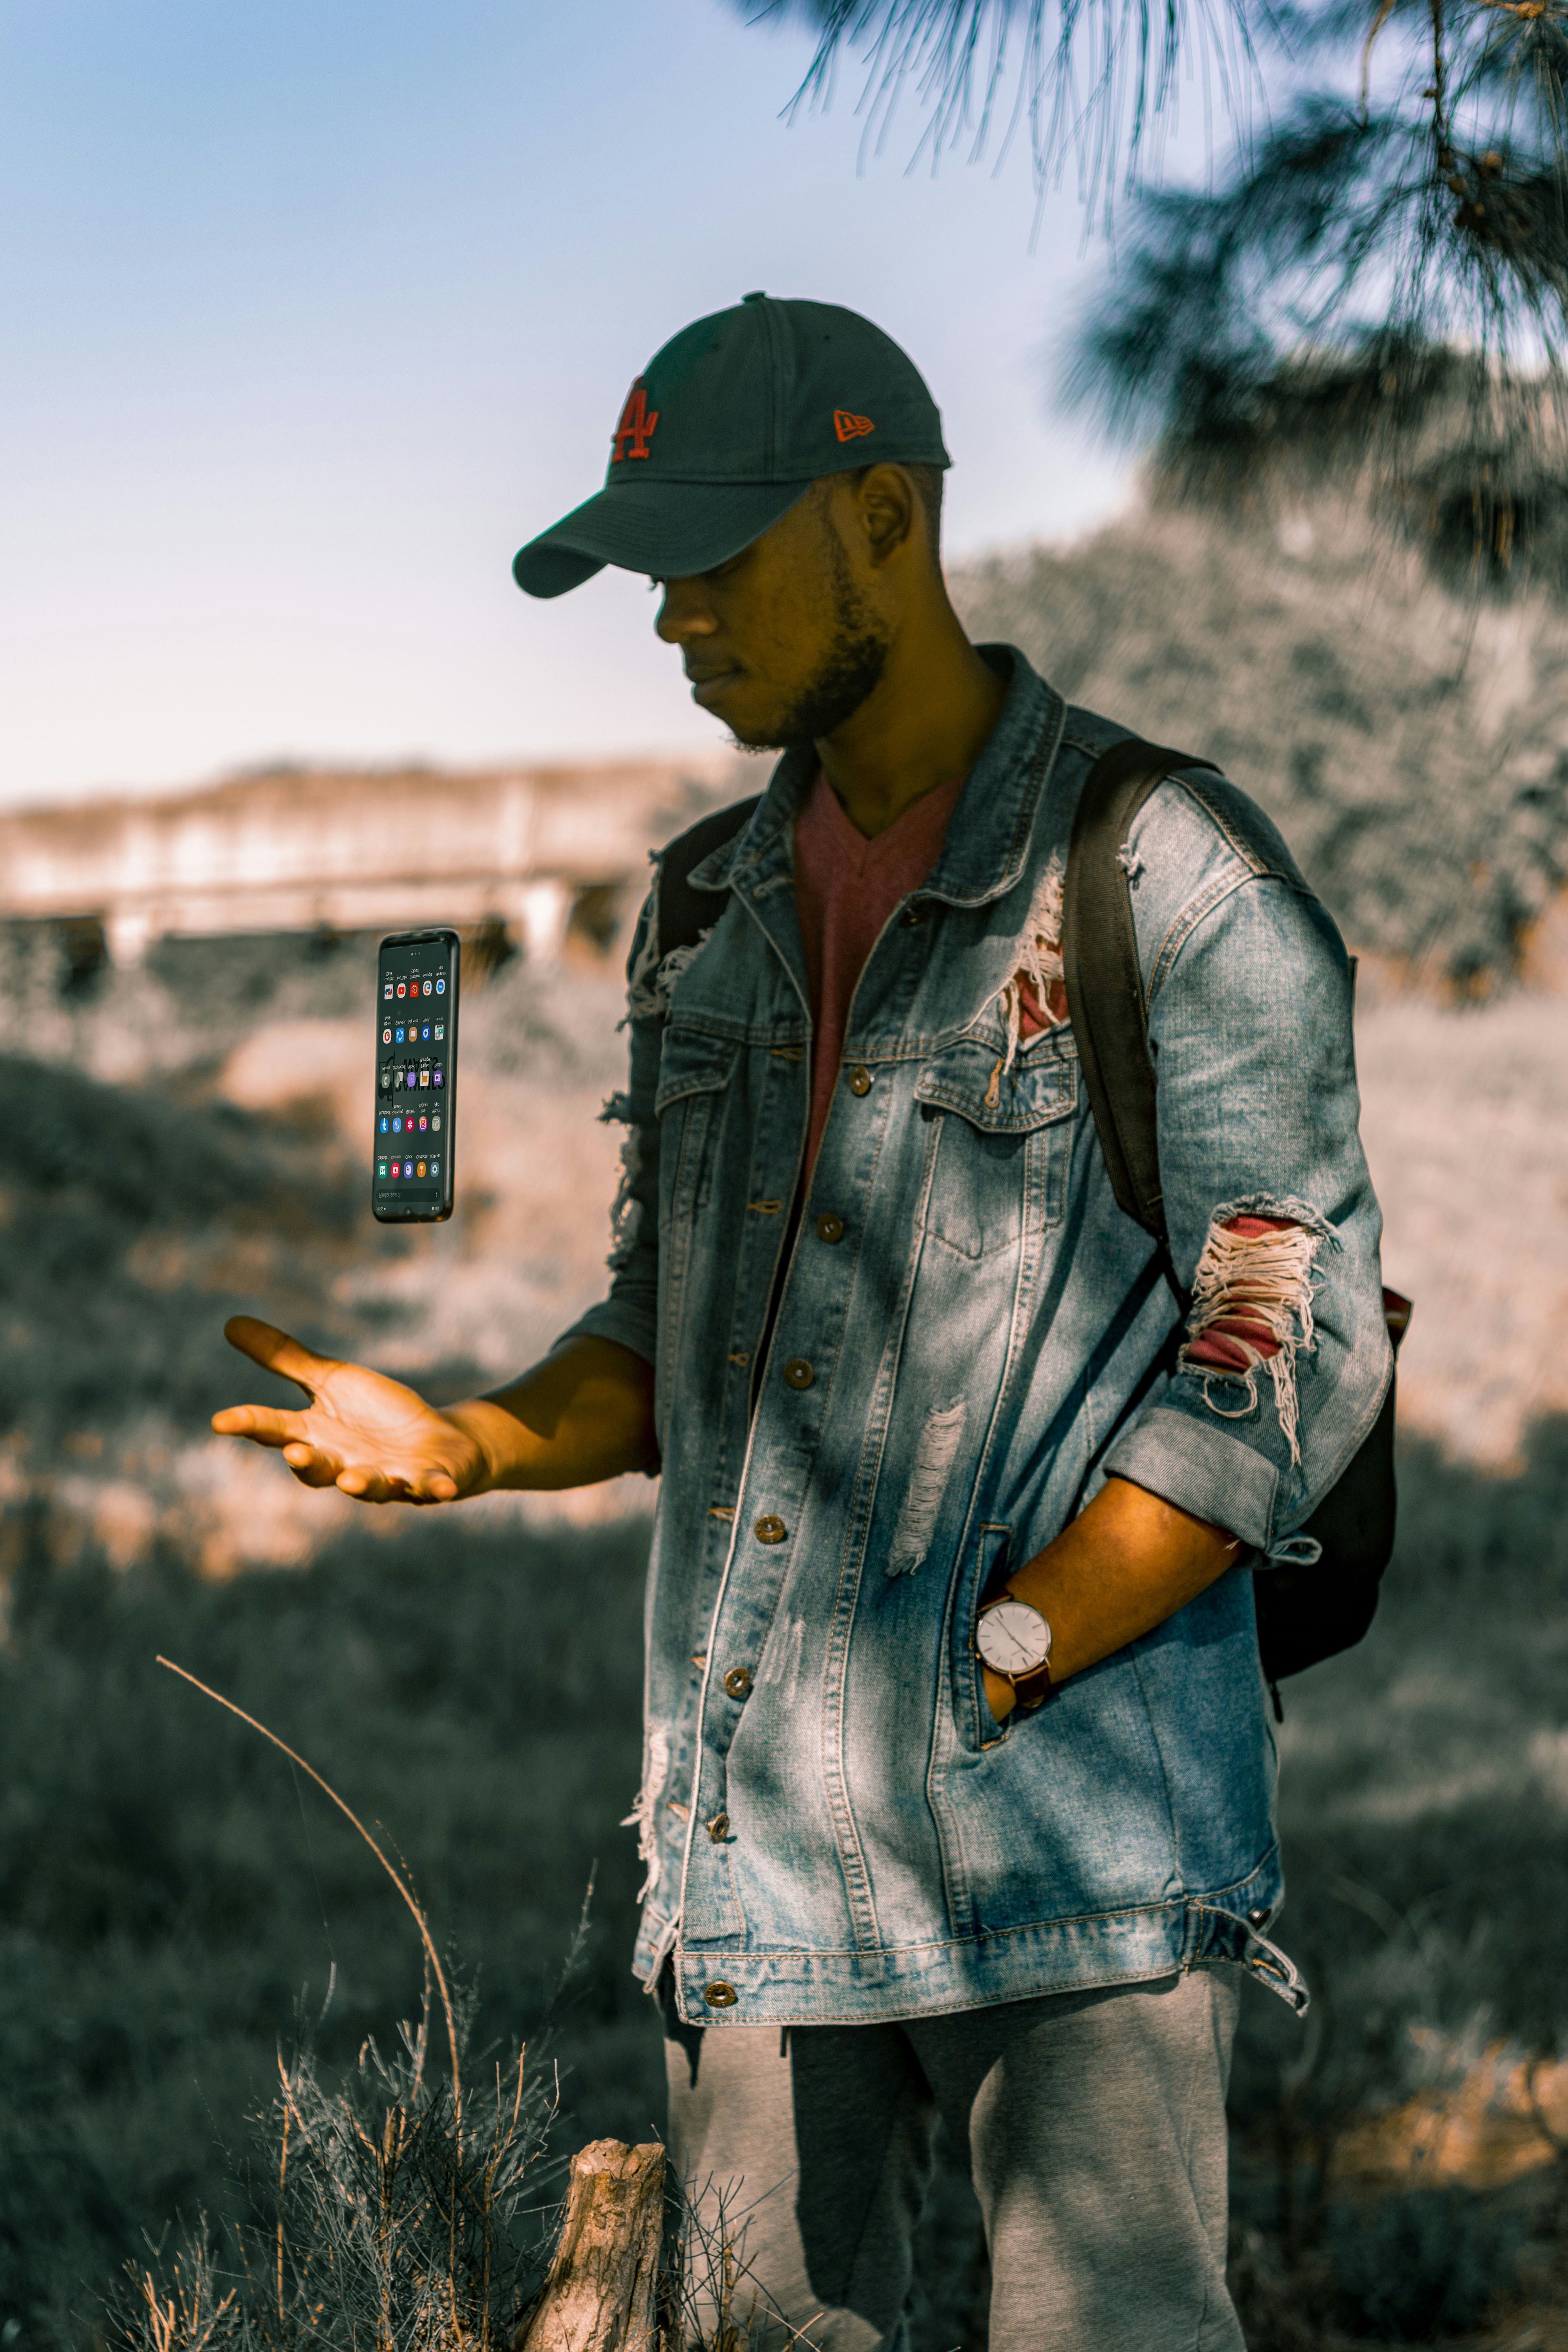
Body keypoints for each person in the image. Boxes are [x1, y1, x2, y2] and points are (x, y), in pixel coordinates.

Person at [215, 295, 1392, 2352]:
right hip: (750, 1864)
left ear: (884, 517)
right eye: (651, 575)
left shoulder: (1159, 867)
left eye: (717, 556)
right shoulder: (701, 907)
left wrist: (1026, 1641)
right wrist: (469, 1441)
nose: (675, 619)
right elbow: (670, 1329)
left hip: (1076, 1853)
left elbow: (1278, 1344)